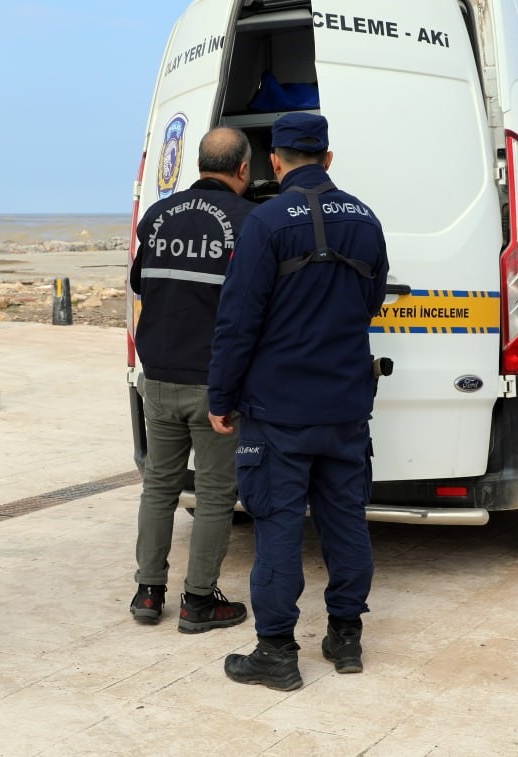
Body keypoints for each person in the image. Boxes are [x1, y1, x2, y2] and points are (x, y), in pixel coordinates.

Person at [207, 113, 388, 690]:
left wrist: (221, 395)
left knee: (279, 527)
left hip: (278, 410)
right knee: (346, 522)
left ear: (275, 161)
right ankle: (346, 638)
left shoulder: (264, 222)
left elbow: (238, 321)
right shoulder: (365, 219)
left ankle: (277, 653)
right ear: (328, 158)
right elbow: (371, 300)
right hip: (345, 407)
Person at [128, 126, 258, 632]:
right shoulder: (249, 222)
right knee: (215, 494)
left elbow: (140, 282)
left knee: (158, 488)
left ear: (199, 163)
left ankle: (147, 593)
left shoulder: (159, 216)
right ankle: (199, 601)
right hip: (214, 384)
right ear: (243, 169)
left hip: (158, 377)